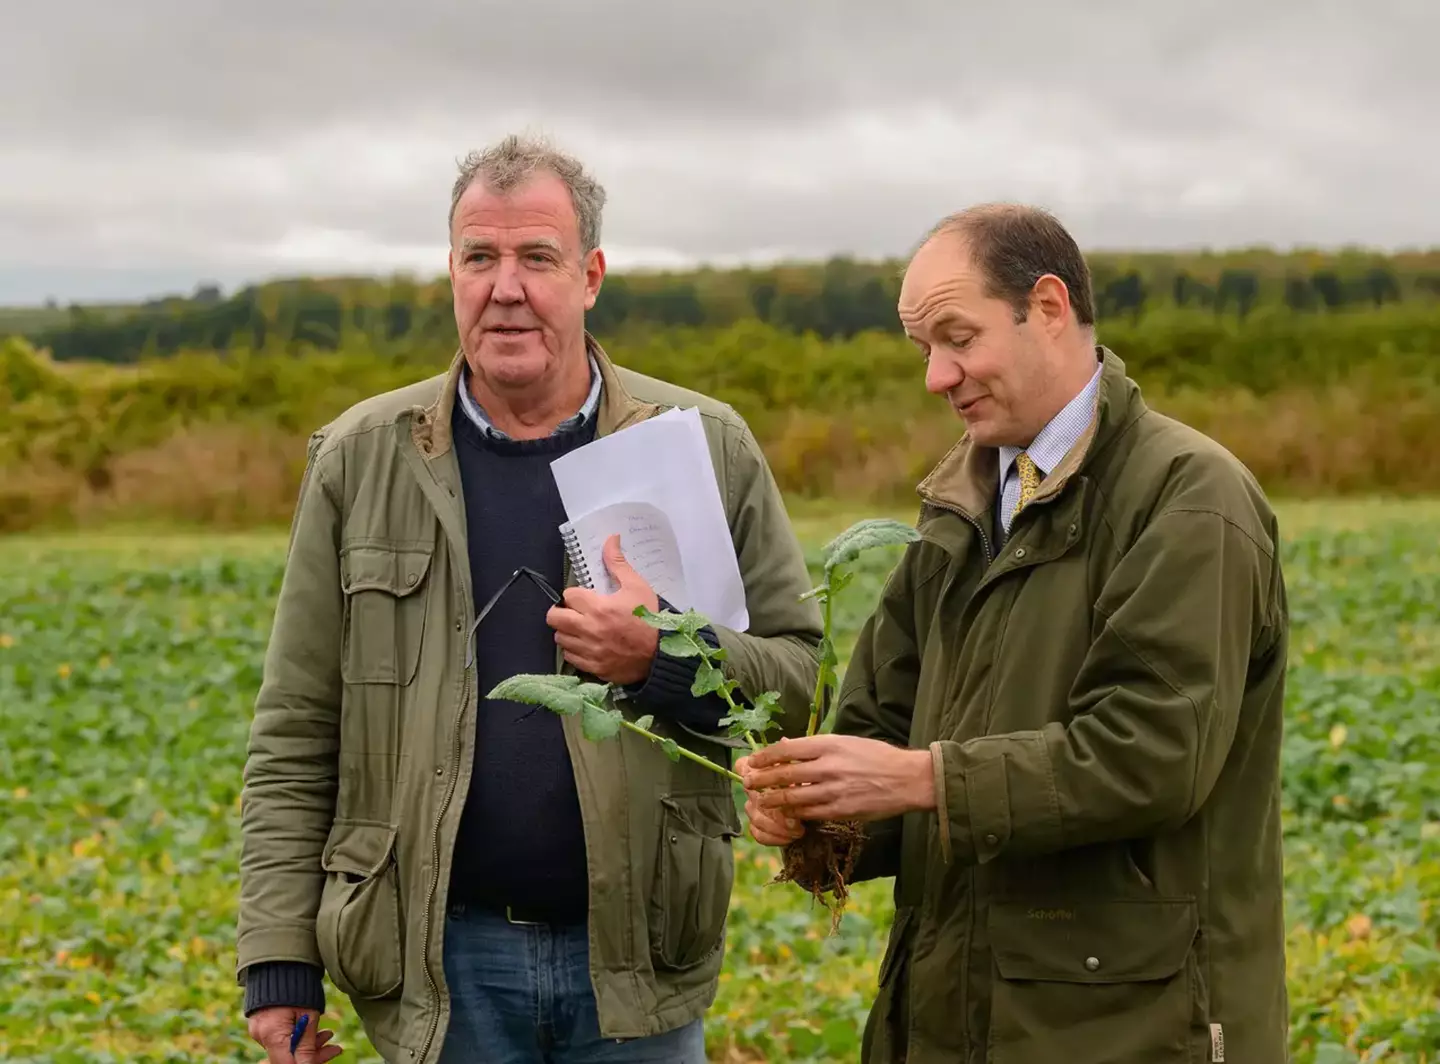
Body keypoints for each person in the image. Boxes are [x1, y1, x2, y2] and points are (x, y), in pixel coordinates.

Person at [235, 133, 822, 1064]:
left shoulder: (703, 445)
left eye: (536, 258)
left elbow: (797, 686)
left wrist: (662, 659)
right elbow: (298, 725)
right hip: (439, 967)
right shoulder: (362, 457)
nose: (505, 287)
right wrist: (278, 960)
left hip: (635, 966)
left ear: (589, 275)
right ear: (453, 273)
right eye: (480, 257)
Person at [738, 204, 1290, 1063]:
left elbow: (1151, 753)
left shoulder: (1189, 498)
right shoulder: (957, 508)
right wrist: (819, 818)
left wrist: (925, 780)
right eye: (924, 349)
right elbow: (880, 728)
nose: (937, 376)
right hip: (950, 1017)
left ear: (1048, 306)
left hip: (1129, 1029)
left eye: (958, 338)